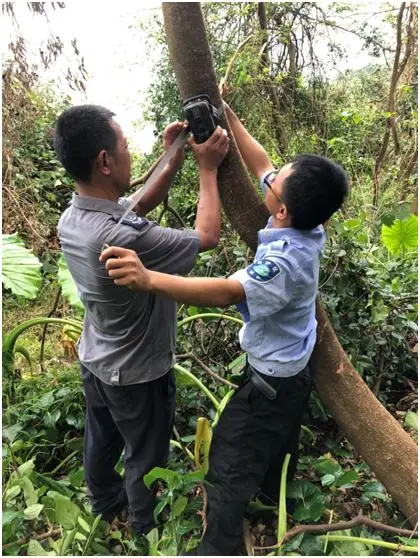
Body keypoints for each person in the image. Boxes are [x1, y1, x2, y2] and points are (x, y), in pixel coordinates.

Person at [100, 101, 349, 555]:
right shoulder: (307, 225)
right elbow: (262, 162)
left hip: (272, 381)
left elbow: (226, 291)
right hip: (293, 371)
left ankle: (219, 546)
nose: (271, 176)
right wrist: (229, 115)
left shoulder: (283, 264)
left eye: (277, 182)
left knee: (229, 457)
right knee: (279, 439)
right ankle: (275, 494)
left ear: (281, 210)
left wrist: (149, 279)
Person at [54, 104, 230, 539]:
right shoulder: (121, 236)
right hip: (138, 375)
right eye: (126, 146)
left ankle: (103, 501)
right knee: (145, 456)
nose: (132, 154)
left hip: (97, 360)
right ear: (105, 161)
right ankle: (144, 530)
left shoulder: (73, 219)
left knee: (102, 438)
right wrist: (208, 169)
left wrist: (175, 153)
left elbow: (138, 201)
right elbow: (206, 236)